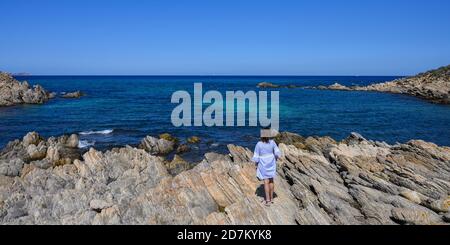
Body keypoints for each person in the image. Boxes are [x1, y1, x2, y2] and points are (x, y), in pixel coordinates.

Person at [251, 128, 281, 206]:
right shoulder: (272, 142)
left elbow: (256, 155)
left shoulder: (259, 144)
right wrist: (277, 157)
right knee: (271, 180)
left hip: (263, 163)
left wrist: (256, 164)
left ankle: (267, 200)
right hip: (271, 162)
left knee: (266, 182)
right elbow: (277, 151)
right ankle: (271, 199)